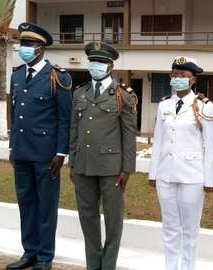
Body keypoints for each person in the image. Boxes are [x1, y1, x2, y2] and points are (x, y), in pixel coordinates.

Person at [7, 22, 72, 270]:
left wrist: (60, 152)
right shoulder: (16, 75)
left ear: (41, 48)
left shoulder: (58, 77)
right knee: (26, 204)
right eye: (22, 43)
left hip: (47, 155)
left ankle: (45, 256)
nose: (24, 48)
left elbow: (64, 118)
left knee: (46, 207)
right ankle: (29, 252)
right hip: (22, 152)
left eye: (30, 44)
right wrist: (13, 147)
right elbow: (15, 115)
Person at [69, 41, 137, 270]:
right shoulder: (80, 93)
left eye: (101, 62)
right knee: (87, 219)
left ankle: (107, 266)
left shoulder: (123, 95)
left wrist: (127, 168)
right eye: (92, 61)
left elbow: (129, 135)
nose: (95, 65)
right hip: (83, 166)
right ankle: (93, 265)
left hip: (112, 169)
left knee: (113, 221)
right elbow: (74, 129)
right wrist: (73, 162)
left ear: (110, 65)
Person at [149, 56, 213, 270]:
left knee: (189, 229)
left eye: (184, 76)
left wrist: (209, 179)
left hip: (192, 177)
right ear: (171, 77)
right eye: (175, 75)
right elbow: (158, 140)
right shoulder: (164, 105)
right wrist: (153, 173)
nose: (179, 79)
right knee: (169, 227)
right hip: (166, 175)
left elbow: (210, 145)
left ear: (193, 80)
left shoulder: (204, 106)